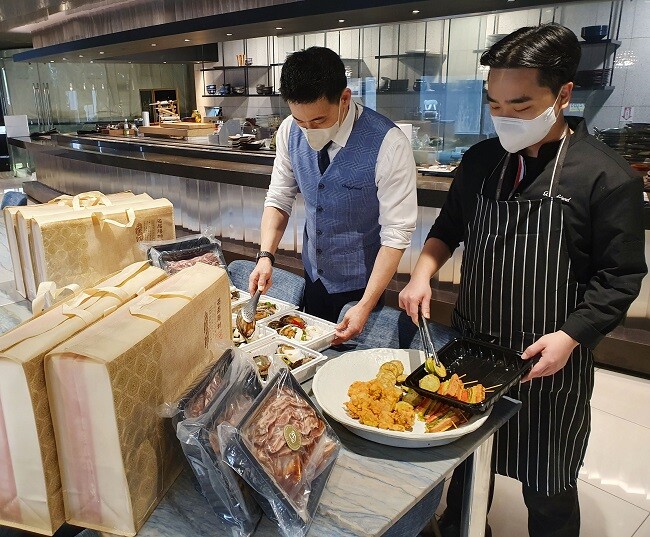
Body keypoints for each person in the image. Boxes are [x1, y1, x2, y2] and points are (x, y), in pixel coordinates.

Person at [399, 23, 646, 537]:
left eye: (521, 105)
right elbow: (449, 228)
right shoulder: (481, 161)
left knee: (549, 486)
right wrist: (422, 274)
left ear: (564, 95)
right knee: (469, 472)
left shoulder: (606, 177)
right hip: (472, 352)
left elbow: (620, 278)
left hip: (550, 362)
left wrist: (571, 337)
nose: (504, 117)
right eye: (494, 104)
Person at [249, 46, 418, 343]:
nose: (308, 129)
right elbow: (279, 197)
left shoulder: (389, 143)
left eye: (318, 120)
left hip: (361, 282)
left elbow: (396, 232)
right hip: (314, 272)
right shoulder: (289, 131)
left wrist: (365, 304)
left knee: (353, 354)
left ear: (344, 99)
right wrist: (265, 256)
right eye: (300, 121)